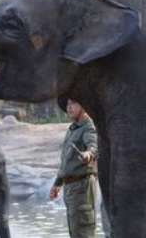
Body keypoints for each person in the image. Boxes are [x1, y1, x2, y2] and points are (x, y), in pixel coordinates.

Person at [49, 98, 98, 238]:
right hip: (70, 188)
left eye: (74, 103)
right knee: (75, 232)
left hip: (82, 187)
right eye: (68, 104)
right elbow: (66, 161)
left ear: (84, 105)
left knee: (84, 232)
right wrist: (58, 183)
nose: (69, 107)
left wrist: (88, 154)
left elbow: (93, 146)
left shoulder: (88, 126)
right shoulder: (73, 128)